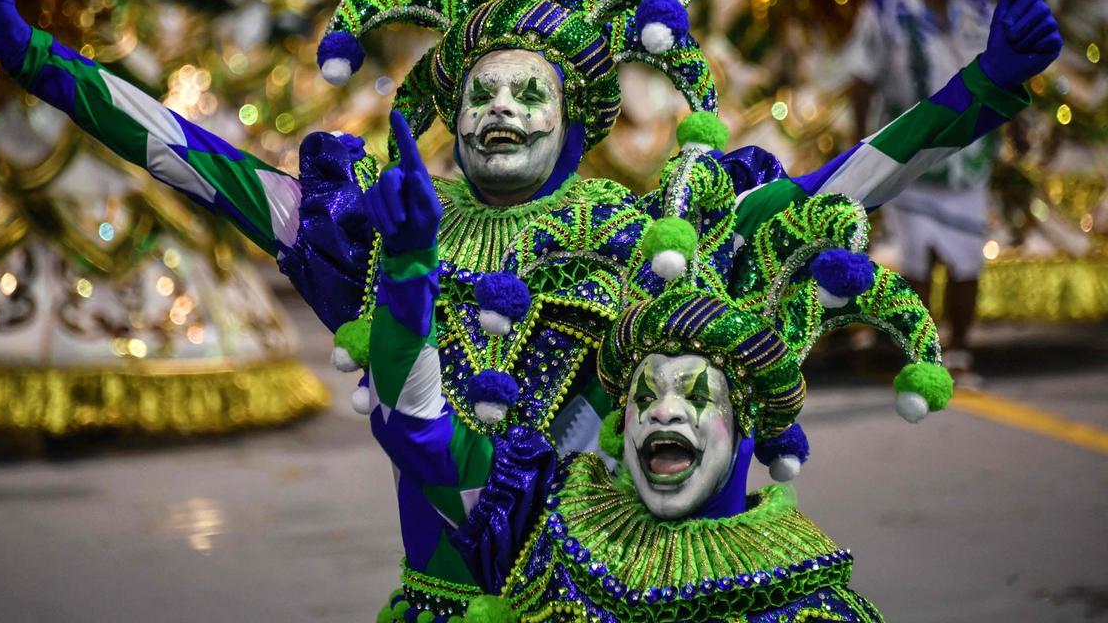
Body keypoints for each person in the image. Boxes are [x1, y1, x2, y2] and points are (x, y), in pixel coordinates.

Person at [0, 0, 1060, 616]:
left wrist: (989, 86)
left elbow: (834, 190)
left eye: (532, 91)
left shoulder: (632, 235)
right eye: (481, 87)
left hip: (601, 596)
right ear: (450, 107)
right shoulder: (375, 230)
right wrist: (32, 55)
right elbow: (187, 155)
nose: (503, 108)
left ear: (577, 124)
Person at [361, 125, 947, 620]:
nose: (663, 411)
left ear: (745, 420)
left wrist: (984, 86)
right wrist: (410, 265)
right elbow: (414, 426)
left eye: (695, 395)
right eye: (644, 396)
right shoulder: (550, 522)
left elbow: (858, 174)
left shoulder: (813, 601)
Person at [841, 0, 1054, 383]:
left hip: (968, 155)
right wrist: (862, 147)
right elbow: (860, 81)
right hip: (909, 152)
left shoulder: (978, 8)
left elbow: (1003, 70)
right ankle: (920, 350)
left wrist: (1016, 126)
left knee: (964, 258)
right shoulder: (883, 10)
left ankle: (958, 349)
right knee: (916, 257)